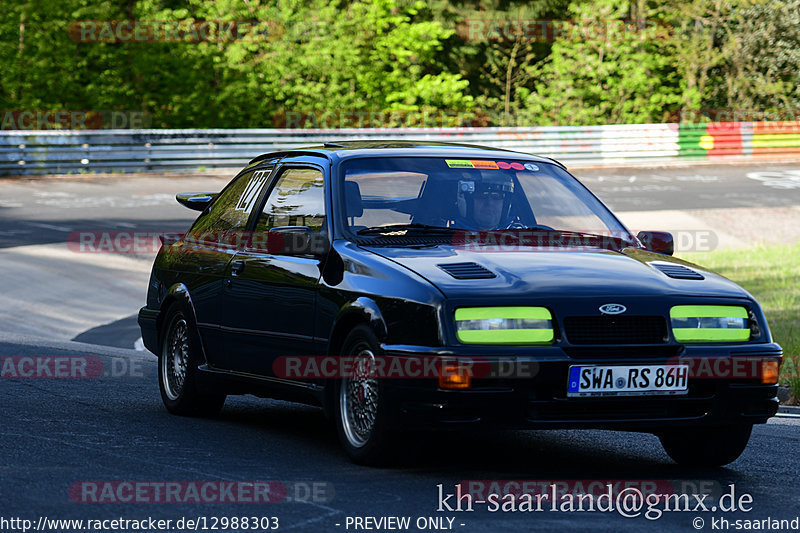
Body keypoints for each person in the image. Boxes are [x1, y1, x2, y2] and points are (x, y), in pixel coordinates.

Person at [452, 173, 518, 230]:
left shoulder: (519, 234)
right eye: (481, 196)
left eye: (496, 196)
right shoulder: (450, 233)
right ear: (469, 203)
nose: (489, 202)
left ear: (505, 204)